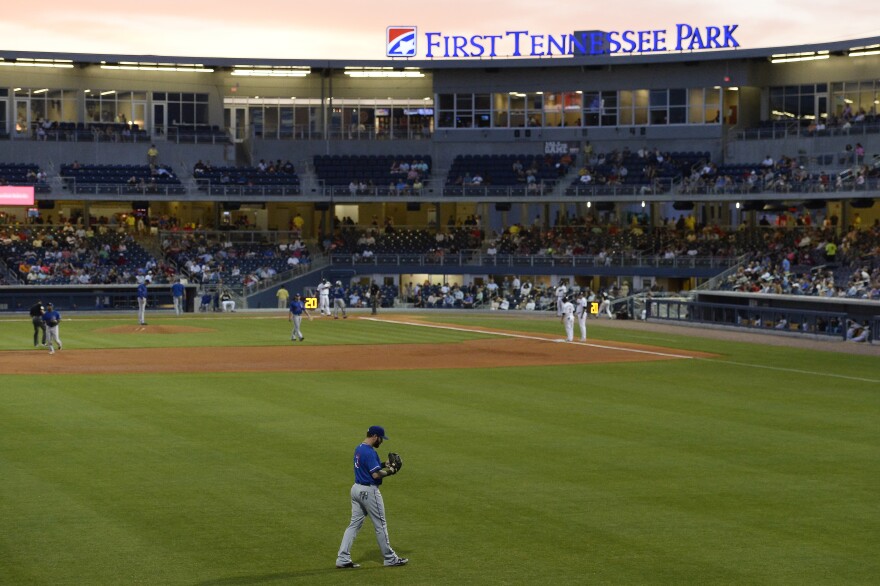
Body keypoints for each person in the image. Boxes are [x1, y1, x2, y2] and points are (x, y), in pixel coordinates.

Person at [336, 425, 408, 569]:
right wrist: (391, 470)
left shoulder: (359, 448)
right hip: (369, 492)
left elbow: (368, 467)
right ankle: (390, 558)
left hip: (356, 489)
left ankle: (342, 558)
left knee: (354, 524)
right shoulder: (370, 452)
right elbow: (375, 474)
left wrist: (383, 464)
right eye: (381, 438)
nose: (381, 441)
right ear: (375, 436)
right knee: (380, 525)